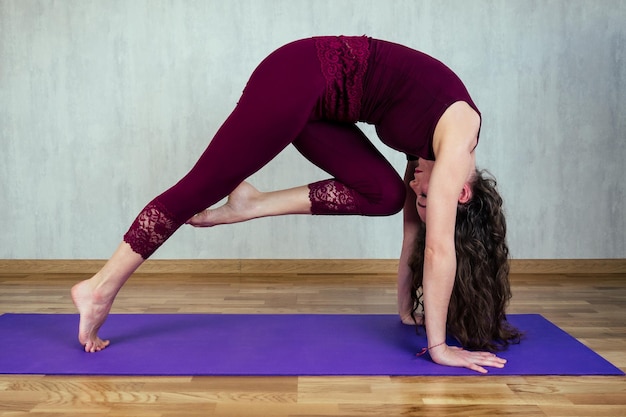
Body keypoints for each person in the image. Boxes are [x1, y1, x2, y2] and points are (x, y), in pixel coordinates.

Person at [71, 35, 520, 373]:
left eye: (421, 197)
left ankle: (251, 203)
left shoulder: (431, 155)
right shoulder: (456, 143)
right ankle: (99, 287)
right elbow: (440, 248)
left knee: (384, 195)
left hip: (322, 108)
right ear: (462, 191)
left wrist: (407, 310)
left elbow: (414, 235)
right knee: (202, 185)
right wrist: (439, 349)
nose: (417, 190)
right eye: (427, 197)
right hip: (301, 73)